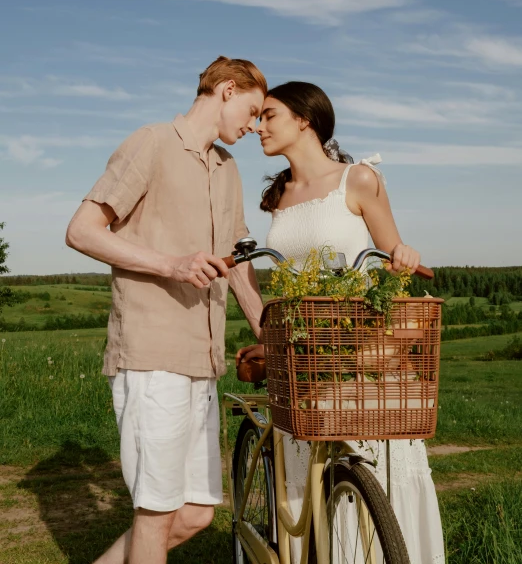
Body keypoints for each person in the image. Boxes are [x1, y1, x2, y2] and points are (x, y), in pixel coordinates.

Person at [66, 56, 268, 564]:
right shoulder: (151, 143)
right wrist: (171, 265)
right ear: (226, 89)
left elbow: (238, 260)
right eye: (252, 109)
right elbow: (82, 231)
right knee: (154, 516)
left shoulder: (227, 168)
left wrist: (270, 329)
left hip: (203, 361)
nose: (254, 124)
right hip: (153, 356)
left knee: (197, 512)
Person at [237, 81, 445, 564]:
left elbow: (394, 257)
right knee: (304, 476)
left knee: (372, 464)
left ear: (304, 120)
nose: (258, 127)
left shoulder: (359, 179)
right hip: (306, 351)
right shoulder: (279, 194)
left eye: (269, 116)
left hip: (359, 340)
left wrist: (404, 256)